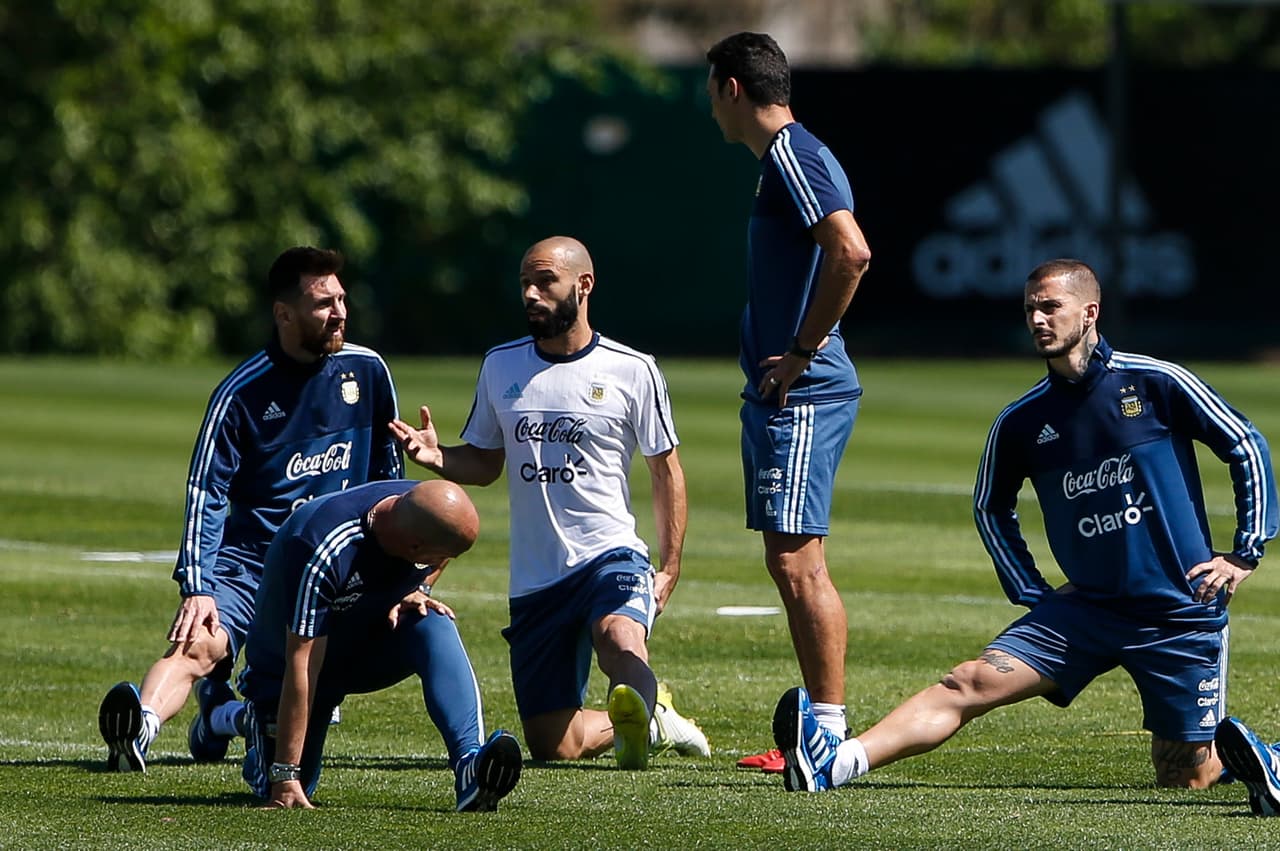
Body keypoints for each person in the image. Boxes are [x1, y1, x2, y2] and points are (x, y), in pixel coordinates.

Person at [772, 258, 1278, 795]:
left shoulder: (1155, 383)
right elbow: (991, 506)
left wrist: (1245, 552)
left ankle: (1265, 762)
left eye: (1050, 307)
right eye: (1030, 309)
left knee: (1185, 776)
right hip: (1085, 610)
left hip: (1176, 611)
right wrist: (1030, 589)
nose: (1038, 319)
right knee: (970, 680)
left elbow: (1245, 445)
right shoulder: (1021, 421)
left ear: (1090, 312)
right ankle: (834, 764)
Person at [389, 236, 709, 770]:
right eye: (525, 284)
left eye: (545, 282)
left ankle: (638, 698)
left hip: (611, 554)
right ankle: (650, 717)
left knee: (618, 635)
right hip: (537, 577)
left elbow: (665, 468)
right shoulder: (501, 366)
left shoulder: (632, 369)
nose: (531, 294)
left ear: (583, 286)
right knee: (552, 746)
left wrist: (670, 564)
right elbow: (487, 463)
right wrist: (437, 456)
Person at [98, 246, 404, 772]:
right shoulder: (241, 393)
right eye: (323, 303)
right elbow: (206, 491)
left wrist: (398, 573)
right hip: (254, 564)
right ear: (283, 313)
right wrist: (197, 584)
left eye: (341, 299)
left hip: (335, 567)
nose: (340, 312)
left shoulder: (367, 372)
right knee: (199, 647)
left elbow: (388, 481)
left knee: (303, 696)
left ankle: (220, 717)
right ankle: (140, 728)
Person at [705, 32, 873, 773]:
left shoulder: (792, 154)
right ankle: (816, 723)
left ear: (731, 88)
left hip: (805, 390)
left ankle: (828, 735)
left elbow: (852, 251)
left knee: (798, 559)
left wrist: (803, 351)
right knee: (788, 557)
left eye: (710, 87)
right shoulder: (788, 158)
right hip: (785, 390)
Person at [238, 478, 522, 811]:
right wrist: (285, 775)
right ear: (414, 547)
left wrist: (419, 590)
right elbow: (301, 663)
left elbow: (442, 553)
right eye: (440, 556)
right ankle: (231, 728)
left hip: (360, 643)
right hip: (288, 670)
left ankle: (469, 767)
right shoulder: (321, 547)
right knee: (288, 783)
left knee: (432, 622)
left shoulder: (423, 510)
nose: (443, 562)